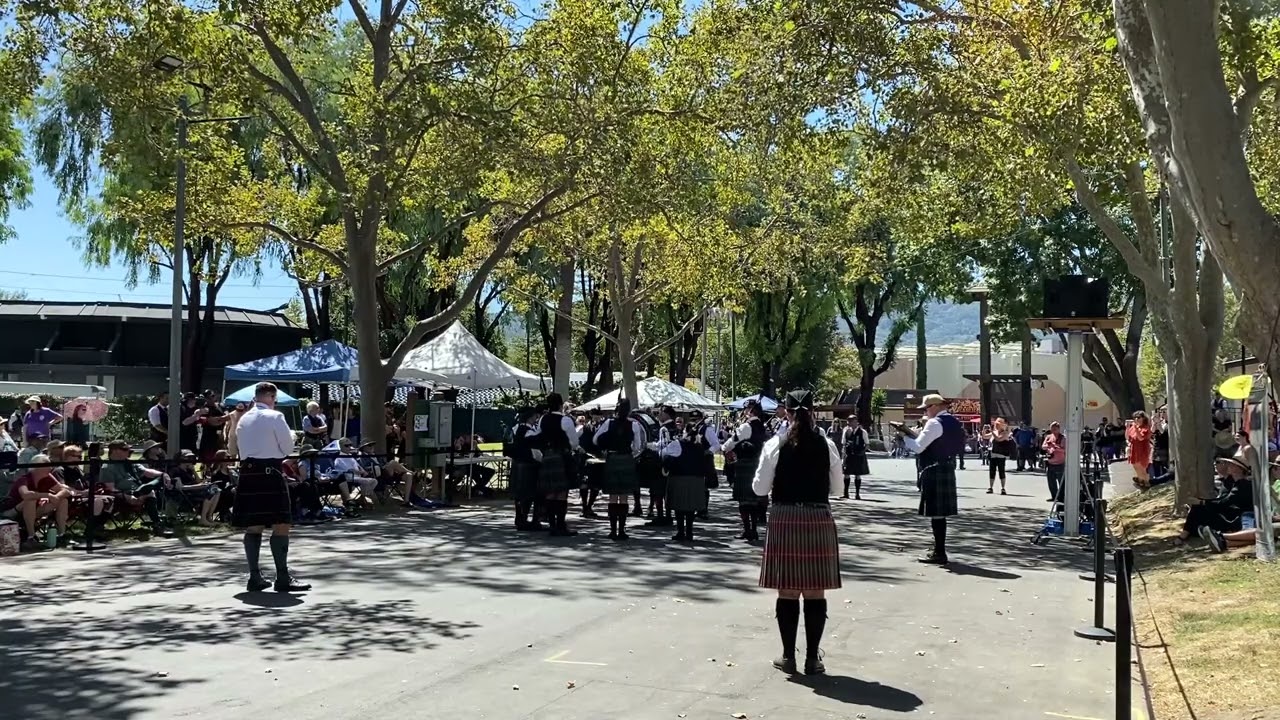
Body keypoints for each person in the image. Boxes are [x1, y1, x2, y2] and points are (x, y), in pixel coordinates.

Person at [753, 390, 843, 676]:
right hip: (817, 516)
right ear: (813, 411)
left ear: (787, 413)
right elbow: (838, 489)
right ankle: (813, 659)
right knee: (815, 590)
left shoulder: (775, 445)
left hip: (784, 516)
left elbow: (759, 489)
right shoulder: (826, 444)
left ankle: (788, 656)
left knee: (788, 590)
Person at [234, 382, 310, 593]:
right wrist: (293, 437)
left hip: (248, 473)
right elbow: (286, 448)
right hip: (270, 472)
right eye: (274, 399)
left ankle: (255, 577)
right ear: (270, 397)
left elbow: (236, 447)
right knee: (281, 523)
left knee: (254, 524)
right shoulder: (275, 417)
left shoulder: (243, 418)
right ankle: (283, 577)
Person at [897, 394, 966, 565]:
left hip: (934, 468)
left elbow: (919, 447)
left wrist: (904, 436)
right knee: (940, 514)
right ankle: (938, 549)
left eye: (927, 408)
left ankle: (939, 552)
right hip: (947, 466)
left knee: (936, 514)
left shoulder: (935, 423)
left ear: (935, 406)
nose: (926, 412)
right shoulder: (954, 422)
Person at [593, 399, 644, 540]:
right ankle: (622, 530)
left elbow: (595, 439)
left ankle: (612, 530)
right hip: (626, 458)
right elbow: (638, 446)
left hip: (612, 458)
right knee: (624, 496)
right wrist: (629, 453)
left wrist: (607, 447)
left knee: (613, 496)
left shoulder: (609, 423)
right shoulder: (634, 425)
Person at [98, 440, 168, 536]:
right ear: (114, 451)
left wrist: (162, 474)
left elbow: (147, 471)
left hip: (138, 491)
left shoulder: (130, 463)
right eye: (125, 449)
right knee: (149, 492)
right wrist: (127, 497)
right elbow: (111, 489)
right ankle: (157, 524)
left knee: (151, 488)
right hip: (121, 495)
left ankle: (157, 524)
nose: (129, 452)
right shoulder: (107, 467)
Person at [1178, 457, 1254, 545]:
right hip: (1231, 515)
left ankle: (1184, 535)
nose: (1229, 466)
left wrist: (1201, 502)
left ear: (1239, 469)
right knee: (1198, 512)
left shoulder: (1242, 484)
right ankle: (1189, 533)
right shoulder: (1236, 483)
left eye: (1232, 464)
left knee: (1198, 508)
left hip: (1234, 519)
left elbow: (1225, 502)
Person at [1, 457, 72, 549]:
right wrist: (48, 495)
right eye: (46, 464)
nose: (50, 468)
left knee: (63, 500)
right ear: (37, 467)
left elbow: (65, 491)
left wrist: (56, 497)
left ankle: (61, 535)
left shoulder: (48, 478)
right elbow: (26, 495)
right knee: (31, 500)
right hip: (13, 512)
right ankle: (31, 537)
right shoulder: (24, 479)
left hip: (34, 511)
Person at [534, 392, 580, 537]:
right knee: (561, 492)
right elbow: (574, 442)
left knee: (550, 492)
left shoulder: (543, 419)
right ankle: (561, 525)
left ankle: (552, 525)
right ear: (561, 405)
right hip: (561, 456)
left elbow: (538, 436)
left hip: (548, 455)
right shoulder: (565, 420)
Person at [724, 400, 768, 542]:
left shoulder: (745, 426)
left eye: (746, 409)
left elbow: (732, 442)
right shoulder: (762, 427)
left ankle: (748, 530)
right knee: (754, 500)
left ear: (750, 410)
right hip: (758, 464)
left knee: (744, 501)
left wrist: (724, 448)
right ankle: (753, 529)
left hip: (745, 464)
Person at [661, 423, 710, 542]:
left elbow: (663, 454)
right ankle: (689, 532)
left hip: (680, 478)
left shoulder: (677, 444)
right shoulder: (699, 446)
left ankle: (681, 532)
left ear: (685, 432)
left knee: (679, 508)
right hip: (696, 480)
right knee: (690, 509)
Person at [507, 407, 545, 531]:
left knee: (521, 494)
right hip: (528, 465)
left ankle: (520, 519)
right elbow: (535, 450)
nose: (536, 419)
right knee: (529, 493)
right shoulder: (528, 431)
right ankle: (526, 521)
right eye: (535, 417)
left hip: (518, 463)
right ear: (530, 417)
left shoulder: (516, 428)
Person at [687, 409, 720, 520]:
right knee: (694, 485)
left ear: (701, 418)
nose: (695, 421)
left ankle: (703, 509)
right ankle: (695, 507)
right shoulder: (690, 429)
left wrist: (708, 451)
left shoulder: (707, 429)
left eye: (696, 419)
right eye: (692, 419)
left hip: (704, 460)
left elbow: (716, 444)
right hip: (692, 460)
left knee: (704, 486)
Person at [839, 416, 870, 500]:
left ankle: (857, 494)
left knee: (858, 474)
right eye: (849, 422)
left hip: (858, 455)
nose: (849, 424)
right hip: (849, 455)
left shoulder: (863, 432)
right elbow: (844, 443)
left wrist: (862, 452)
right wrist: (843, 455)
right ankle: (846, 493)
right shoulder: (846, 431)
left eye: (851, 422)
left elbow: (867, 444)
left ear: (856, 422)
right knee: (846, 474)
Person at [198, 390, 228, 463]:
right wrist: (221, 419)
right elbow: (211, 421)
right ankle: (206, 469)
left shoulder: (220, 406)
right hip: (208, 435)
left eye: (212, 396)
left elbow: (227, 415)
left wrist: (220, 419)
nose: (210, 399)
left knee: (221, 453)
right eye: (207, 397)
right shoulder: (204, 408)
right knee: (208, 455)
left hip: (221, 433)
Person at [987, 418, 1016, 495]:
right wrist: (984, 430)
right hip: (993, 455)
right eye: (996, 424)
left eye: (998, 425)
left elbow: (998, 439)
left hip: (1001, 455)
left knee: (1001, 471)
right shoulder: (994, 432)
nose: (996, 426)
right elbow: (984, 436)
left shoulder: (1005, 433)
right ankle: (990, 487)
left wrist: (992, 432)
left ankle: (1003, 488)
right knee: (992, 471)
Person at [1126, 411, 1153, 490]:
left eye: (1139, 417)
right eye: (1135, 418)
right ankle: (1141, 482)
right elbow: (1128, 437)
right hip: (1134, 449)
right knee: (1135, 466)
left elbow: (1140, 438)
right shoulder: (1133, 428)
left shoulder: (1145, 427)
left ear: (1143, 418)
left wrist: (1135, 428)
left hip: (1142, 449)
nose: (1137, 419)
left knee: (1142, 467)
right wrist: (1128, 427)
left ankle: (1146, 483)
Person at [1042, 422, 1066, 502]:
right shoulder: (1048, 437)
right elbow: (1043, 446)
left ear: (1059, 429)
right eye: (1052, 429)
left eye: (1055, 429)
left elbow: (1065, 449)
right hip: (1050, 463)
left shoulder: (1063, 438)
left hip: (1060, 463)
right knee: (1051, 481)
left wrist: (1055, 447)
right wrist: (1048, 446)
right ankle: (1054, 496)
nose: (1053, 431)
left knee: (1061, 482)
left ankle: (1061, 498)